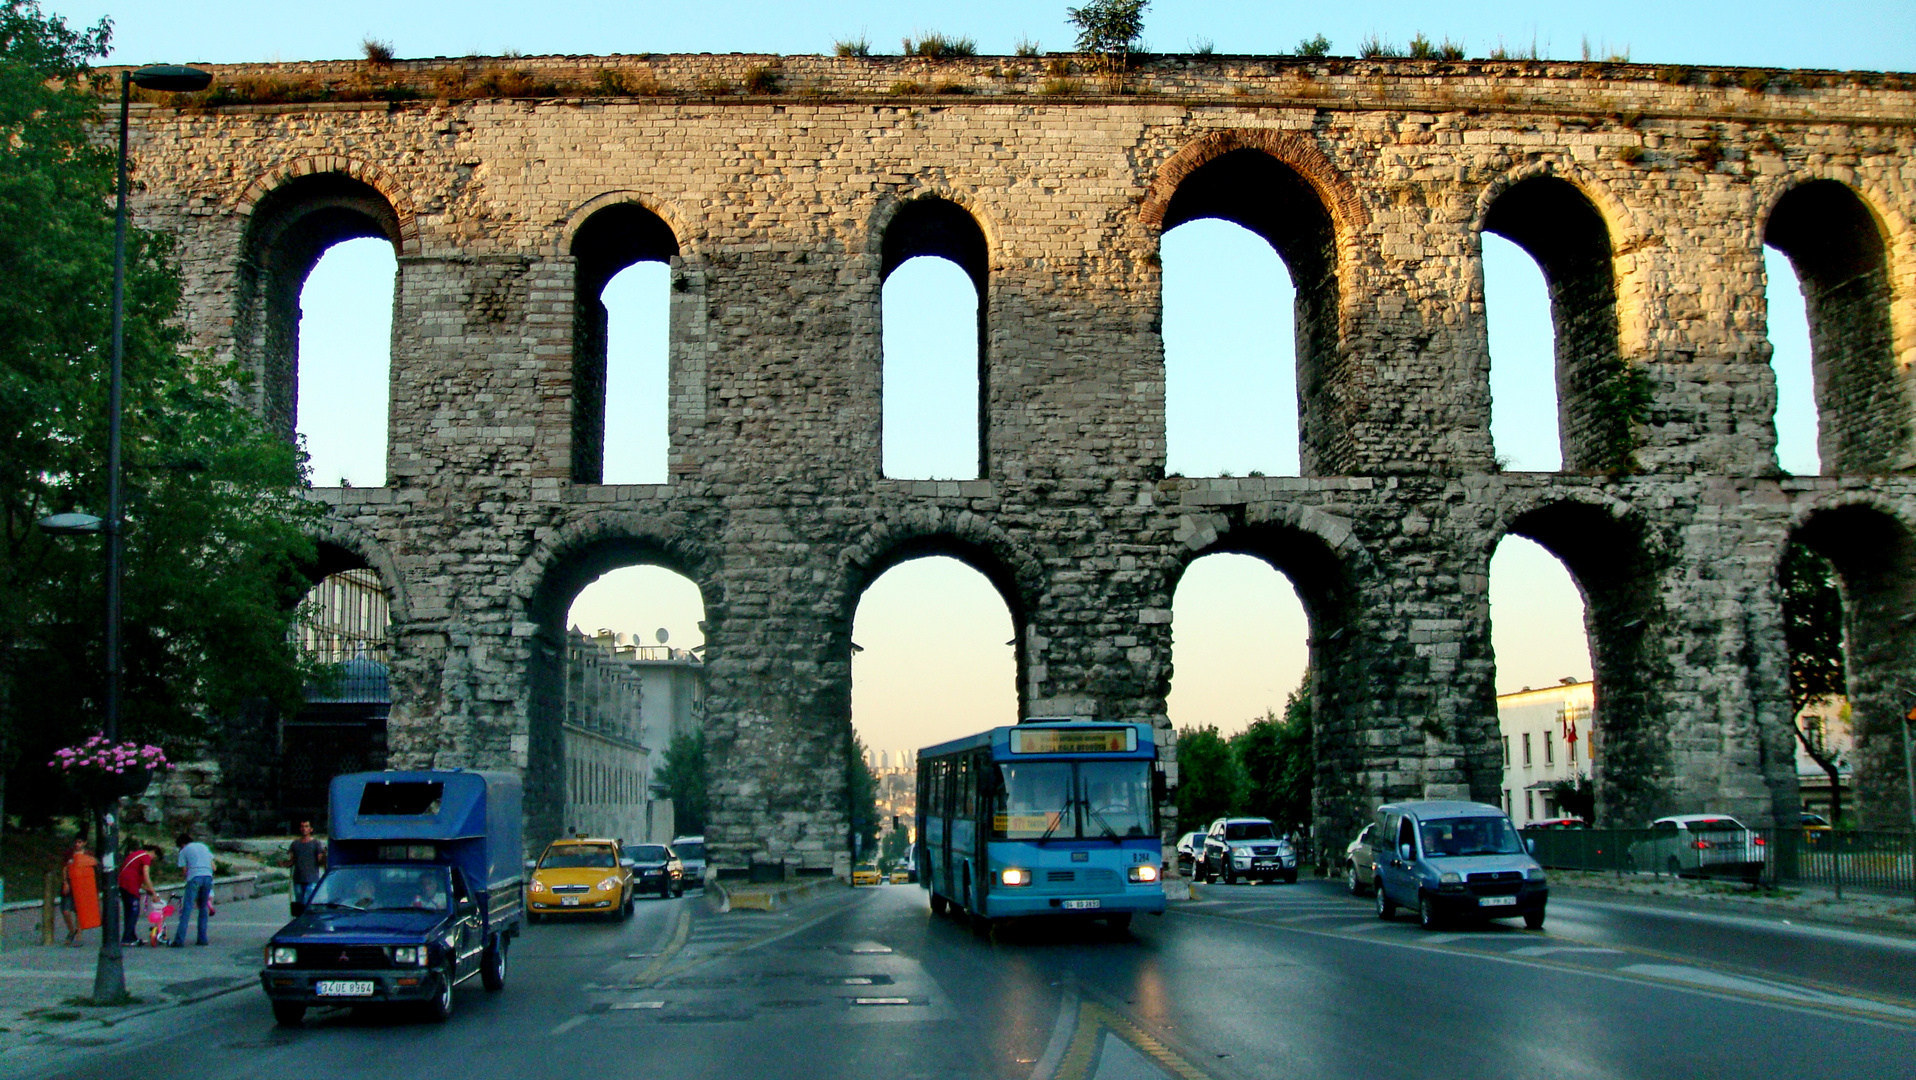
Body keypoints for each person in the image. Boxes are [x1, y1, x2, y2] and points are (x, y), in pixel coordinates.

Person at [171, 832, 215, 947]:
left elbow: (184, 871)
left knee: (187, 909)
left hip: (195, 878)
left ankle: (179, 940)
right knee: (203, 908)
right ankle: (202, 939)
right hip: (208, 877)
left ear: (182, 844)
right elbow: (213, 866)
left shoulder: (184, 851)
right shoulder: (204, 847)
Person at [59, 836, 101, 947]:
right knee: (66, 910)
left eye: (80, 842)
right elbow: (65, 868)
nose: (77, 844)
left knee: (80, 911)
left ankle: (78, 935)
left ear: (84, 843)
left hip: (83, 885)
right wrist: (65, 882)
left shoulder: (88, 854)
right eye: (76, 842)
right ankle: (72, 930)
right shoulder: (69, 854)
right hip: (71, 884)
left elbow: (95, 864)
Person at [117, 838, 159, 946]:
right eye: (155, 857)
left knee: (129, 911)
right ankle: (127, 939)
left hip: (123, 885)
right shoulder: (145, 857)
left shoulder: (136, 854)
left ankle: (132, 936)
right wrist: (154, 893)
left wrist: (147, 889)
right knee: (134, 912)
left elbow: (133, 875)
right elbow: (146, 876)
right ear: (153, 852)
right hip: (130, 887)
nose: (153, 860)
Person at [287, 820, 326, 908]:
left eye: (306, 826)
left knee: (307, 904)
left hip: (311, 879)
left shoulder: (316, 843)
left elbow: (320, 861)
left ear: (311, 829)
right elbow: (292, 861)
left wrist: (324, 857)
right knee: (299, 904)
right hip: (298, 879)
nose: (304, 829)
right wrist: (283, 863)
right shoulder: (295, 844)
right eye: (302, 826)